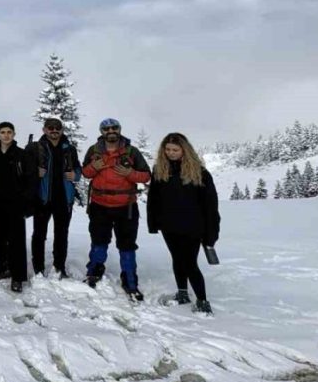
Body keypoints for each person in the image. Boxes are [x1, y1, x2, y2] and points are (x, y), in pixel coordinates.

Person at [147, 133, 219, 314]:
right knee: (177, 259)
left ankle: (203, 301)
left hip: (192, 227)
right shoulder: (159, 170)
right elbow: (153, 199)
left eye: (175, 150)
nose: (171, 153)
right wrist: (153, 222)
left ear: (184, 150)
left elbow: (211, 206)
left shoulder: (200, 173)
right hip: (169, 226)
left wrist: (211, 234)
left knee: (189, 263)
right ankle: (182, 293)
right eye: (168, 149)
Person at [81, 118, 152, 301]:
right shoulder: (94, 150)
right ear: (102, 131)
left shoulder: (131, 152)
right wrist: (93, 167)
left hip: (126, 206)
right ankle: (94, 272)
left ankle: (129, 280)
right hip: (99, 205)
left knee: (127, 245)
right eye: (107, 128)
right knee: (98, 241)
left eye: (114, 128)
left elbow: (145, 176)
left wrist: (130, 174)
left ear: (119, 130)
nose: (111, 131)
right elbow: (85, 173)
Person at [26, 117, 83, 279]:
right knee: (39, 235)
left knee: (61, 234)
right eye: (50, 127)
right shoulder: (36, 148)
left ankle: (59, 267)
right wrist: (34, 172)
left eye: (57, 127)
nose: (54, 130)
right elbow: (25, 168)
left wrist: (75, 175)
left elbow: (78, 169)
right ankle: (38, 268)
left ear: (62, 130)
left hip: (64, 199)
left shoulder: (69, 149)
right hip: (42, 198)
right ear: (44, 130)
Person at [0, 122, 35, 292]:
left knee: (16, 240)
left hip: (16, 203)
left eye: (9, 132)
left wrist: (26, 202)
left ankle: (18, 276)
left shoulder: (21, 154)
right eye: (2, 132)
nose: (6, 135)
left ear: (14, 134)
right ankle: (0, 268)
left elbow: (30, 179)